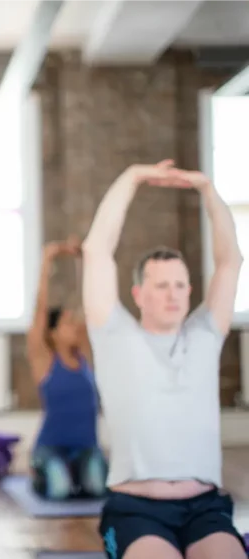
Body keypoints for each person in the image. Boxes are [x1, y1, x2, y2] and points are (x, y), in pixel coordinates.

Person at [82, 160, 245, 559]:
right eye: (160, 286)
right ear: (138, 294)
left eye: (179, 285)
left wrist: (208, 190)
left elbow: (231, 261)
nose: (172, 294)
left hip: (205, 507)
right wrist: (131, 177)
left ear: (191, 290)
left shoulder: (205, 335)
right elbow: (97, 251)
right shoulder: (115, 335)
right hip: (136, 510)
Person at [28, 236, 107, 500]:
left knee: (97, 489)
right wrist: (48, 258)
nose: (74, 325)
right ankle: (43, 473)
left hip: (85, 448)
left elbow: (91, 304)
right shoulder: (45, 360)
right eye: (66, 323)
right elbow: (40, 311)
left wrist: (85, 262)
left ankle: (77, 474)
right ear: (52, 333)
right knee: (59, 491)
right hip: (51, 448)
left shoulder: (85, 353)